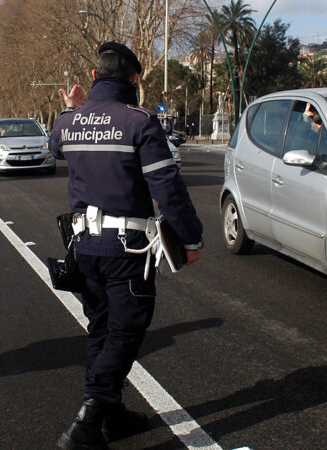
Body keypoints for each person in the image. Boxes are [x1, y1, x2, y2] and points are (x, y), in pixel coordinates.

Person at [49, 42, 203, 449]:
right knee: (126, 331)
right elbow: (167, 187)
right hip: (127, 249)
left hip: (84, 247)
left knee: (101, 328)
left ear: (96, 77)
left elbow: (55, 143)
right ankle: (88, 419)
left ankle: (111, 416)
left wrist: (71, 108)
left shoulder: (69, 123)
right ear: (135, 80)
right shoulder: (140, 122)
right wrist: (189, 238)